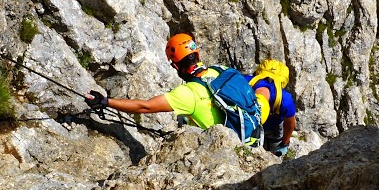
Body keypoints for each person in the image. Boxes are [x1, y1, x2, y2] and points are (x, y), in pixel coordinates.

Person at [86, 34, 262, 144]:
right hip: (251, 138)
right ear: (197, 54)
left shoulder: (188, 94)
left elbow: (145, 106)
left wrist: (106, 101)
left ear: (176, 66)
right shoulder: (220, 70)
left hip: (224, 147)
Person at [248, 59, 296, 156]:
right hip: (273, 126)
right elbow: (289, 123)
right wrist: (284, 143)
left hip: (252, 124)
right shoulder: (284, 99)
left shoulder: (244, 83)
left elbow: (290, 122)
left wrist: (285, 143)